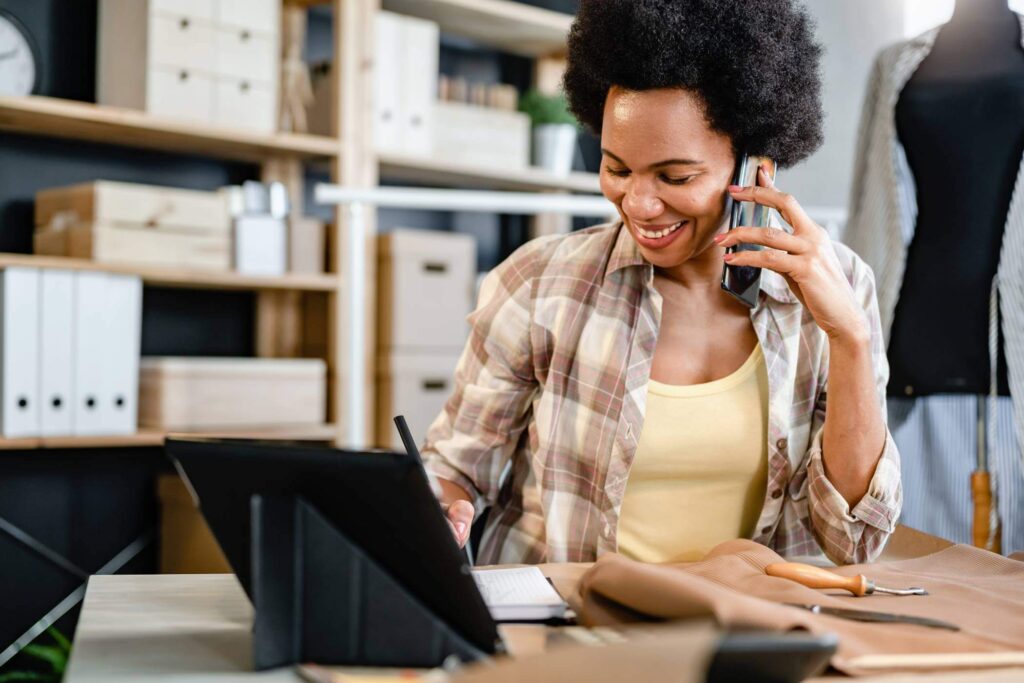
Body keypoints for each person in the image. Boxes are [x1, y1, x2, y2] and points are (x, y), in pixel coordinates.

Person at [422, 0, 901, 566]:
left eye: (676, 176)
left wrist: (849, 337)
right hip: (568, 630)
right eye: (617, 169)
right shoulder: (539, 283)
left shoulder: (841, 287)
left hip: (747, 636)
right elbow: (453, 468)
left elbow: (855, 540)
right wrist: (440, 509)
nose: (640, 203)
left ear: (756, 168)